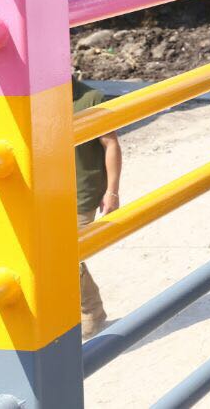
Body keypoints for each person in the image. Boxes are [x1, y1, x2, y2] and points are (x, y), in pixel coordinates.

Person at [73, 79, 121, 339]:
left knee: (69, 258)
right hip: (47, 194)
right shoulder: (37, 97)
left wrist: (112, 191)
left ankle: (91, 311)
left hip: (82, 193)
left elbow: (111, 144)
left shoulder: (90, 99)